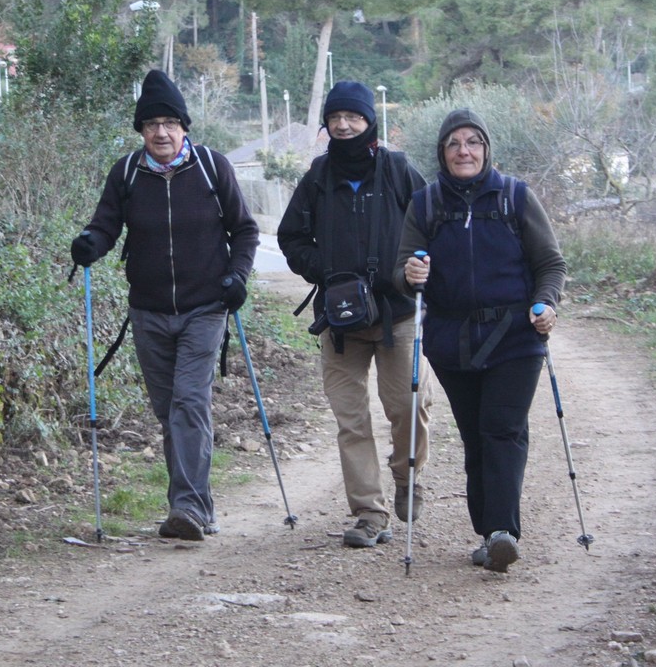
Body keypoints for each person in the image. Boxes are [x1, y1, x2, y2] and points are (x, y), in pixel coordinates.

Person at [70, 69, 259, 542]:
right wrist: (89, 243)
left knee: (189, 403)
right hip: (148, 311)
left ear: (184, 127)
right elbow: (105, 226)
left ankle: (188, 508)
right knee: (168, 410)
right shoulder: (127, 173)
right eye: (152, 124)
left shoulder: (212, 167)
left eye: (170, 123)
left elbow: (244, 230)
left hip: (206, 307)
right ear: (141, 130)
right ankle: (197, 507)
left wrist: (237, 276)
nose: (161, 132)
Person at [394, 108, 566, 573]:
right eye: (454, 143)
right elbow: (400, 271)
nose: (463, 151)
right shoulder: (426, 204)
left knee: (502, 428)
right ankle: (487, 533)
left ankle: (501, 532)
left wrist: (546, 302)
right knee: (475, 435)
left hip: (516, 335)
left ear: (487, 149)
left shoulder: (515, 197)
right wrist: (410, 274)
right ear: (442, 152)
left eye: (473, 142)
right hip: (451, 339)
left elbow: (550, 263)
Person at [277, 80, 432, 549]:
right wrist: (326, 271)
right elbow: (290, 236)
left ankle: (407, 476)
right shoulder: (318, 176)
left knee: (409, 406)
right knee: (351, 420)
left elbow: (432, 224)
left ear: (369, 121)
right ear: (327, 124)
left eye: (353, 117)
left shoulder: (398, 169)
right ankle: (370, 513)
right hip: (339, 320)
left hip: (397, 312)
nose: (343, 125)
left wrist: (414, 268)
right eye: (335, 118)